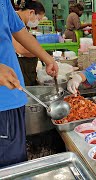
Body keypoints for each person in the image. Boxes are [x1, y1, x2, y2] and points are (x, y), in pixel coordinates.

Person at [0, 0, 58, 167]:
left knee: (18, 162)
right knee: (9, 168)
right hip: (2, 103)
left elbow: (19, 30)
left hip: (14, 97)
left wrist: (47, 58)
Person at [12, 0, 45, 86]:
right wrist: (42, 55)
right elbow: (21, 49)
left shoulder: (21, 23)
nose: (38, 22)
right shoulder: (13, 20)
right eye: (38, 19)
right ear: (31, 12)